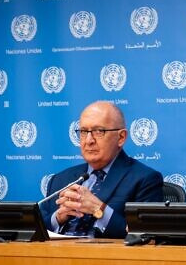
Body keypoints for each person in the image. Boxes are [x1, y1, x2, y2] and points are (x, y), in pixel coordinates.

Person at [40, 101, 163, 238]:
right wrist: (58, 217)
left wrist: (98, 209)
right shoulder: (60, 179)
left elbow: (144, 236)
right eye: (83, 132)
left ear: (121, 137)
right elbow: (37, 231)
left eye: (99, 131)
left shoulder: (144, 179)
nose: (89, 140)